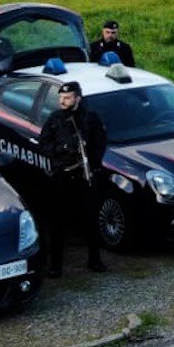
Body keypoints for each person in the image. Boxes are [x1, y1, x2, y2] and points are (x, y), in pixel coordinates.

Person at [38, 81, 109, 275]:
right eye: (60, 98)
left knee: (90, 220)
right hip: (63, 175)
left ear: (77, 98)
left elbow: (100, 143)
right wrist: (63, 149)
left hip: (84, 176)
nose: (62, 101)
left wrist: (92, 164)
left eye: (67, 98)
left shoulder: (90, 119)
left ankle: (95, 260)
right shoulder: (55, 119)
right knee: (58, 222)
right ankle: (55, 266)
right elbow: (44, 145)